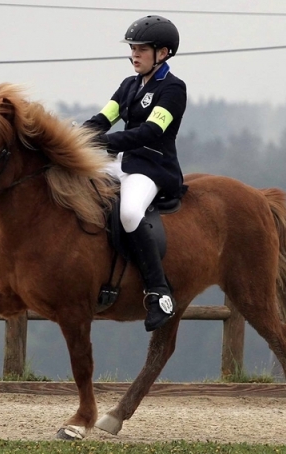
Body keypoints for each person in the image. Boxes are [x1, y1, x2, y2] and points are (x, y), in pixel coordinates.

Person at [84, 15, 187, 332]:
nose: (134, 54)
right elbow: (104, 118)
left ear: (163, 53)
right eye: (133, 48)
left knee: (129, 213)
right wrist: (72, 138)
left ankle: (159, 292)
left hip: (153, 166)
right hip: (122, 161)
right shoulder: (129, 86)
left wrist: (105, 142)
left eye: (141, 49)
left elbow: (151, 131)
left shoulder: (172, 89)